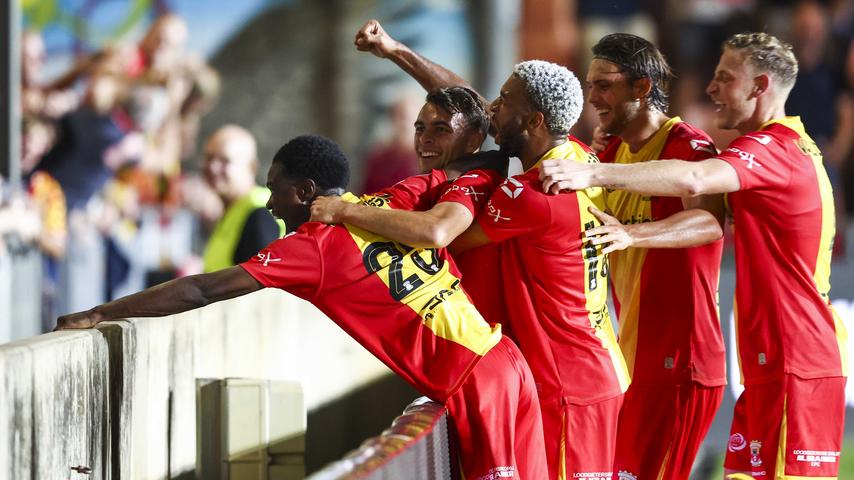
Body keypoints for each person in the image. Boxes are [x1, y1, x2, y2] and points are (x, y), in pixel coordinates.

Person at [56, 134, 547, 480]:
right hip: (506, 360)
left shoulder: (311, 247)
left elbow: (201, 290)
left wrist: (101, 313)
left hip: (474, 381)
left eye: (276, 190)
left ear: (307, 192)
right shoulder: (392, 199)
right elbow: (475, 164)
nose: (271, 205)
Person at [330, 20, 630, 479]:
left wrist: (345, 211)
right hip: (585, 367)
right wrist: (393, 50)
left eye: (505, 100)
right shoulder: (574, 157)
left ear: (534, 121)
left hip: (569, 385)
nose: (492, 107)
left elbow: (434, 234)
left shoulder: (537, 193)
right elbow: (467, 103)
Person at [541, 32, 847, 479]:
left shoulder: (771, 149)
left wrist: (594, 177)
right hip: (771, 362)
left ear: (760, 87)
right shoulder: (777, 149)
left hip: (796, 362)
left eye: (725, 78)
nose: (711, 88)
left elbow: (696, 184)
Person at [583, 33, 726, 479]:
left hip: (681, 360)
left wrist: (631, 234)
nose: (593, 98)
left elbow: (711, 223)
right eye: (590, 85)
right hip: (633, 356)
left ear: (642, 88)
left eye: (604, 85)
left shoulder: (688, 146)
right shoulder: (610, 150)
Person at [198, 125, 283, 272]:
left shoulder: (260, 214)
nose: (213, 167)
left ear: (251, 167)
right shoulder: (234, 209)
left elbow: (260, 286)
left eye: (225, 160)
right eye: (209, 157)